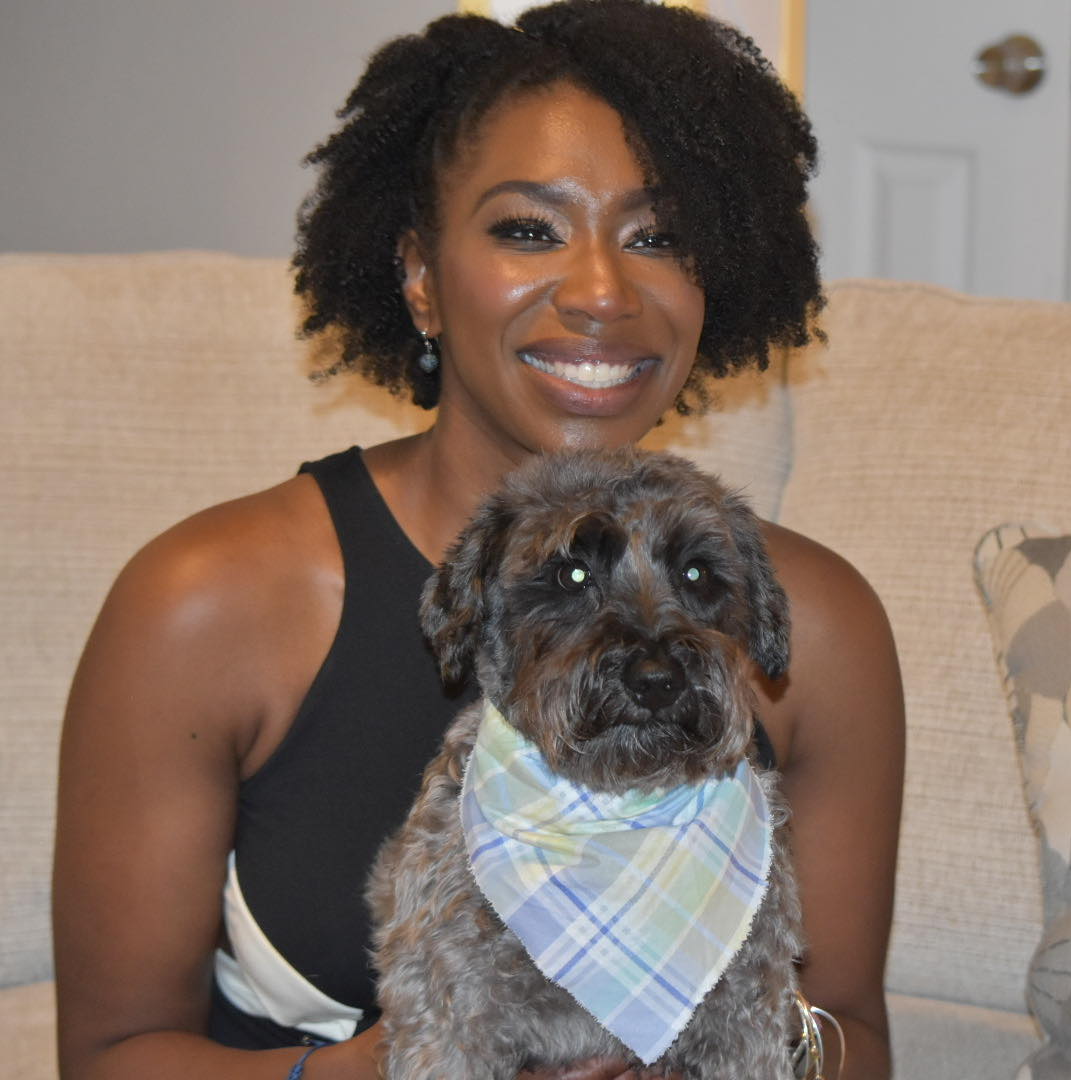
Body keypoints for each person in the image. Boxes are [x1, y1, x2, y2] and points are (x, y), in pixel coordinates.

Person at [51, 2, 905, 1078]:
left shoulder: (819, 626)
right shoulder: (209, 601)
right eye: (529, 229)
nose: (602, 291)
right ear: (418, 274)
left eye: (658, 235)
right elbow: (109, 1057)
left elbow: (850, 1036)